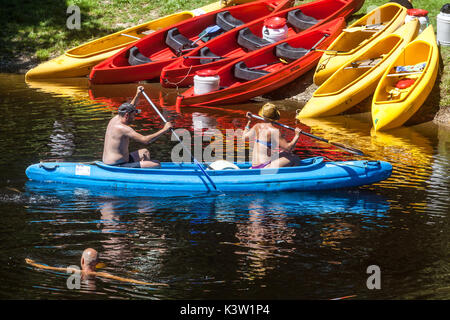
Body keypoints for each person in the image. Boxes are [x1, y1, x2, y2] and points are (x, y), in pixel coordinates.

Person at [102, 86, 172, 168]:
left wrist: (138, 94)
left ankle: (141, 171)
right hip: (117, 165)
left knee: (144, 152)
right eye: (134, 115)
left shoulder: (116, 119)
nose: (135, 117)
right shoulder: (123, 129)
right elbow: (145, 140)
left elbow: (131, 106)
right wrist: (164, 129)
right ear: (127, 115)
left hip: (122, 160)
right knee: (156, 164)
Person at [25, 248, 168, 286]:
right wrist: (151, 283)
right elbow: (126, 280)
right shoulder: (101, 275)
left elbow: (49, 268)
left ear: (81, 260)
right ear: (97, 262)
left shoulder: (73, 270)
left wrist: (32, 263)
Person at [243, 103, 302, 169]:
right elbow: (289, 148)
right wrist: (297, 135)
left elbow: (244, 138)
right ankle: (289, 177)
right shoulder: (274, 131)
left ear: (263, 116)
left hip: (255, 166)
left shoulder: (257, 126)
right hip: (264, 167)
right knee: (295, 158)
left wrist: (249, 121)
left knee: (284, 153)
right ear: (275, 117)